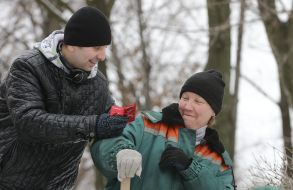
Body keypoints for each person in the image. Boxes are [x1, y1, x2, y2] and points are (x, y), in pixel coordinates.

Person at [0, 6, 128, 190]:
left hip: (59, 185)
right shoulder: (28, 68)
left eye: (105, 48)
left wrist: (125, 149)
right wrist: (93, 126)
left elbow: (113, 123)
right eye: (97, 47)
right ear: (73, 44)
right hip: (9, 181)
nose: (102, 56)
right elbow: (29, 121)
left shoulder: (98, 83)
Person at [91, 70, 237, 190]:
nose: (187, 106)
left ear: (213, 111)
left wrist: (190, 168)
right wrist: (120, 152)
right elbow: (106, 140)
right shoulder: (148, 123)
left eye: (198, 101)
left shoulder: (218, 159)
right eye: (185, 98)